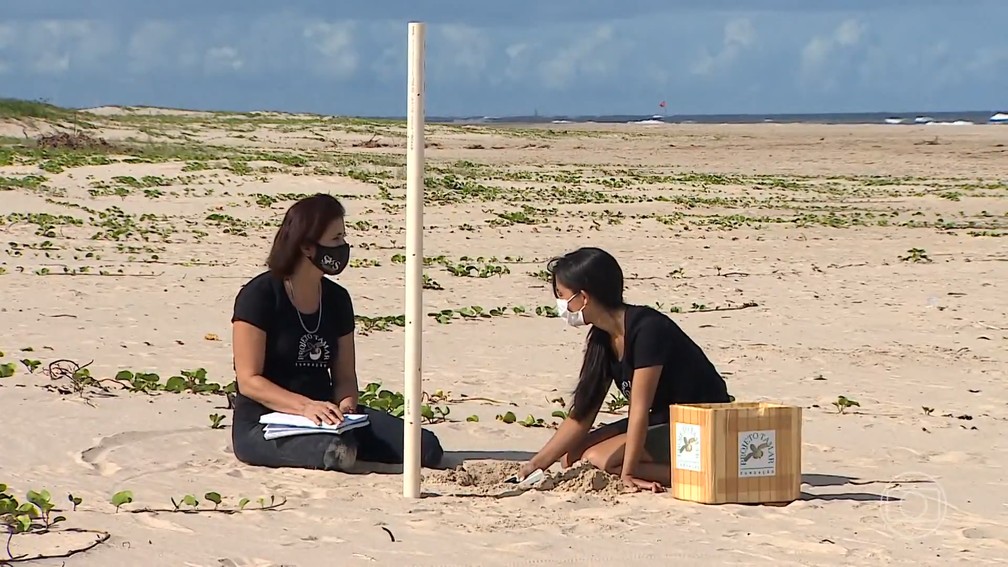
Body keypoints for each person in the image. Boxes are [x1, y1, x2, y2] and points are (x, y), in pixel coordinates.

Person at [229, 193, 444, 472]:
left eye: (343, 238)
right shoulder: (259, 295)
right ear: (307, 247)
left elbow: (344, 376)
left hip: (329, 416)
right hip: (266, 421)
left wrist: (347, 407)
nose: (342, 247)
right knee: (335, 451)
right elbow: (249, 380)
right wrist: (305, 407)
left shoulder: (337, 299)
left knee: (425, 448)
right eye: (334, 240)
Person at [517, 247, 731, 492]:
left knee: (597, 459)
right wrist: (537, 464)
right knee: (571, 456)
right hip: (662, 417)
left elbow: (639, 408)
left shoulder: (647, 329)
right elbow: (583, 414)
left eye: (562, 295)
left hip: (700, 420)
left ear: (583, 297)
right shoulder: (602, 338)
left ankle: (705, 473)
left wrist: (627, 473)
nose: (560, 304)